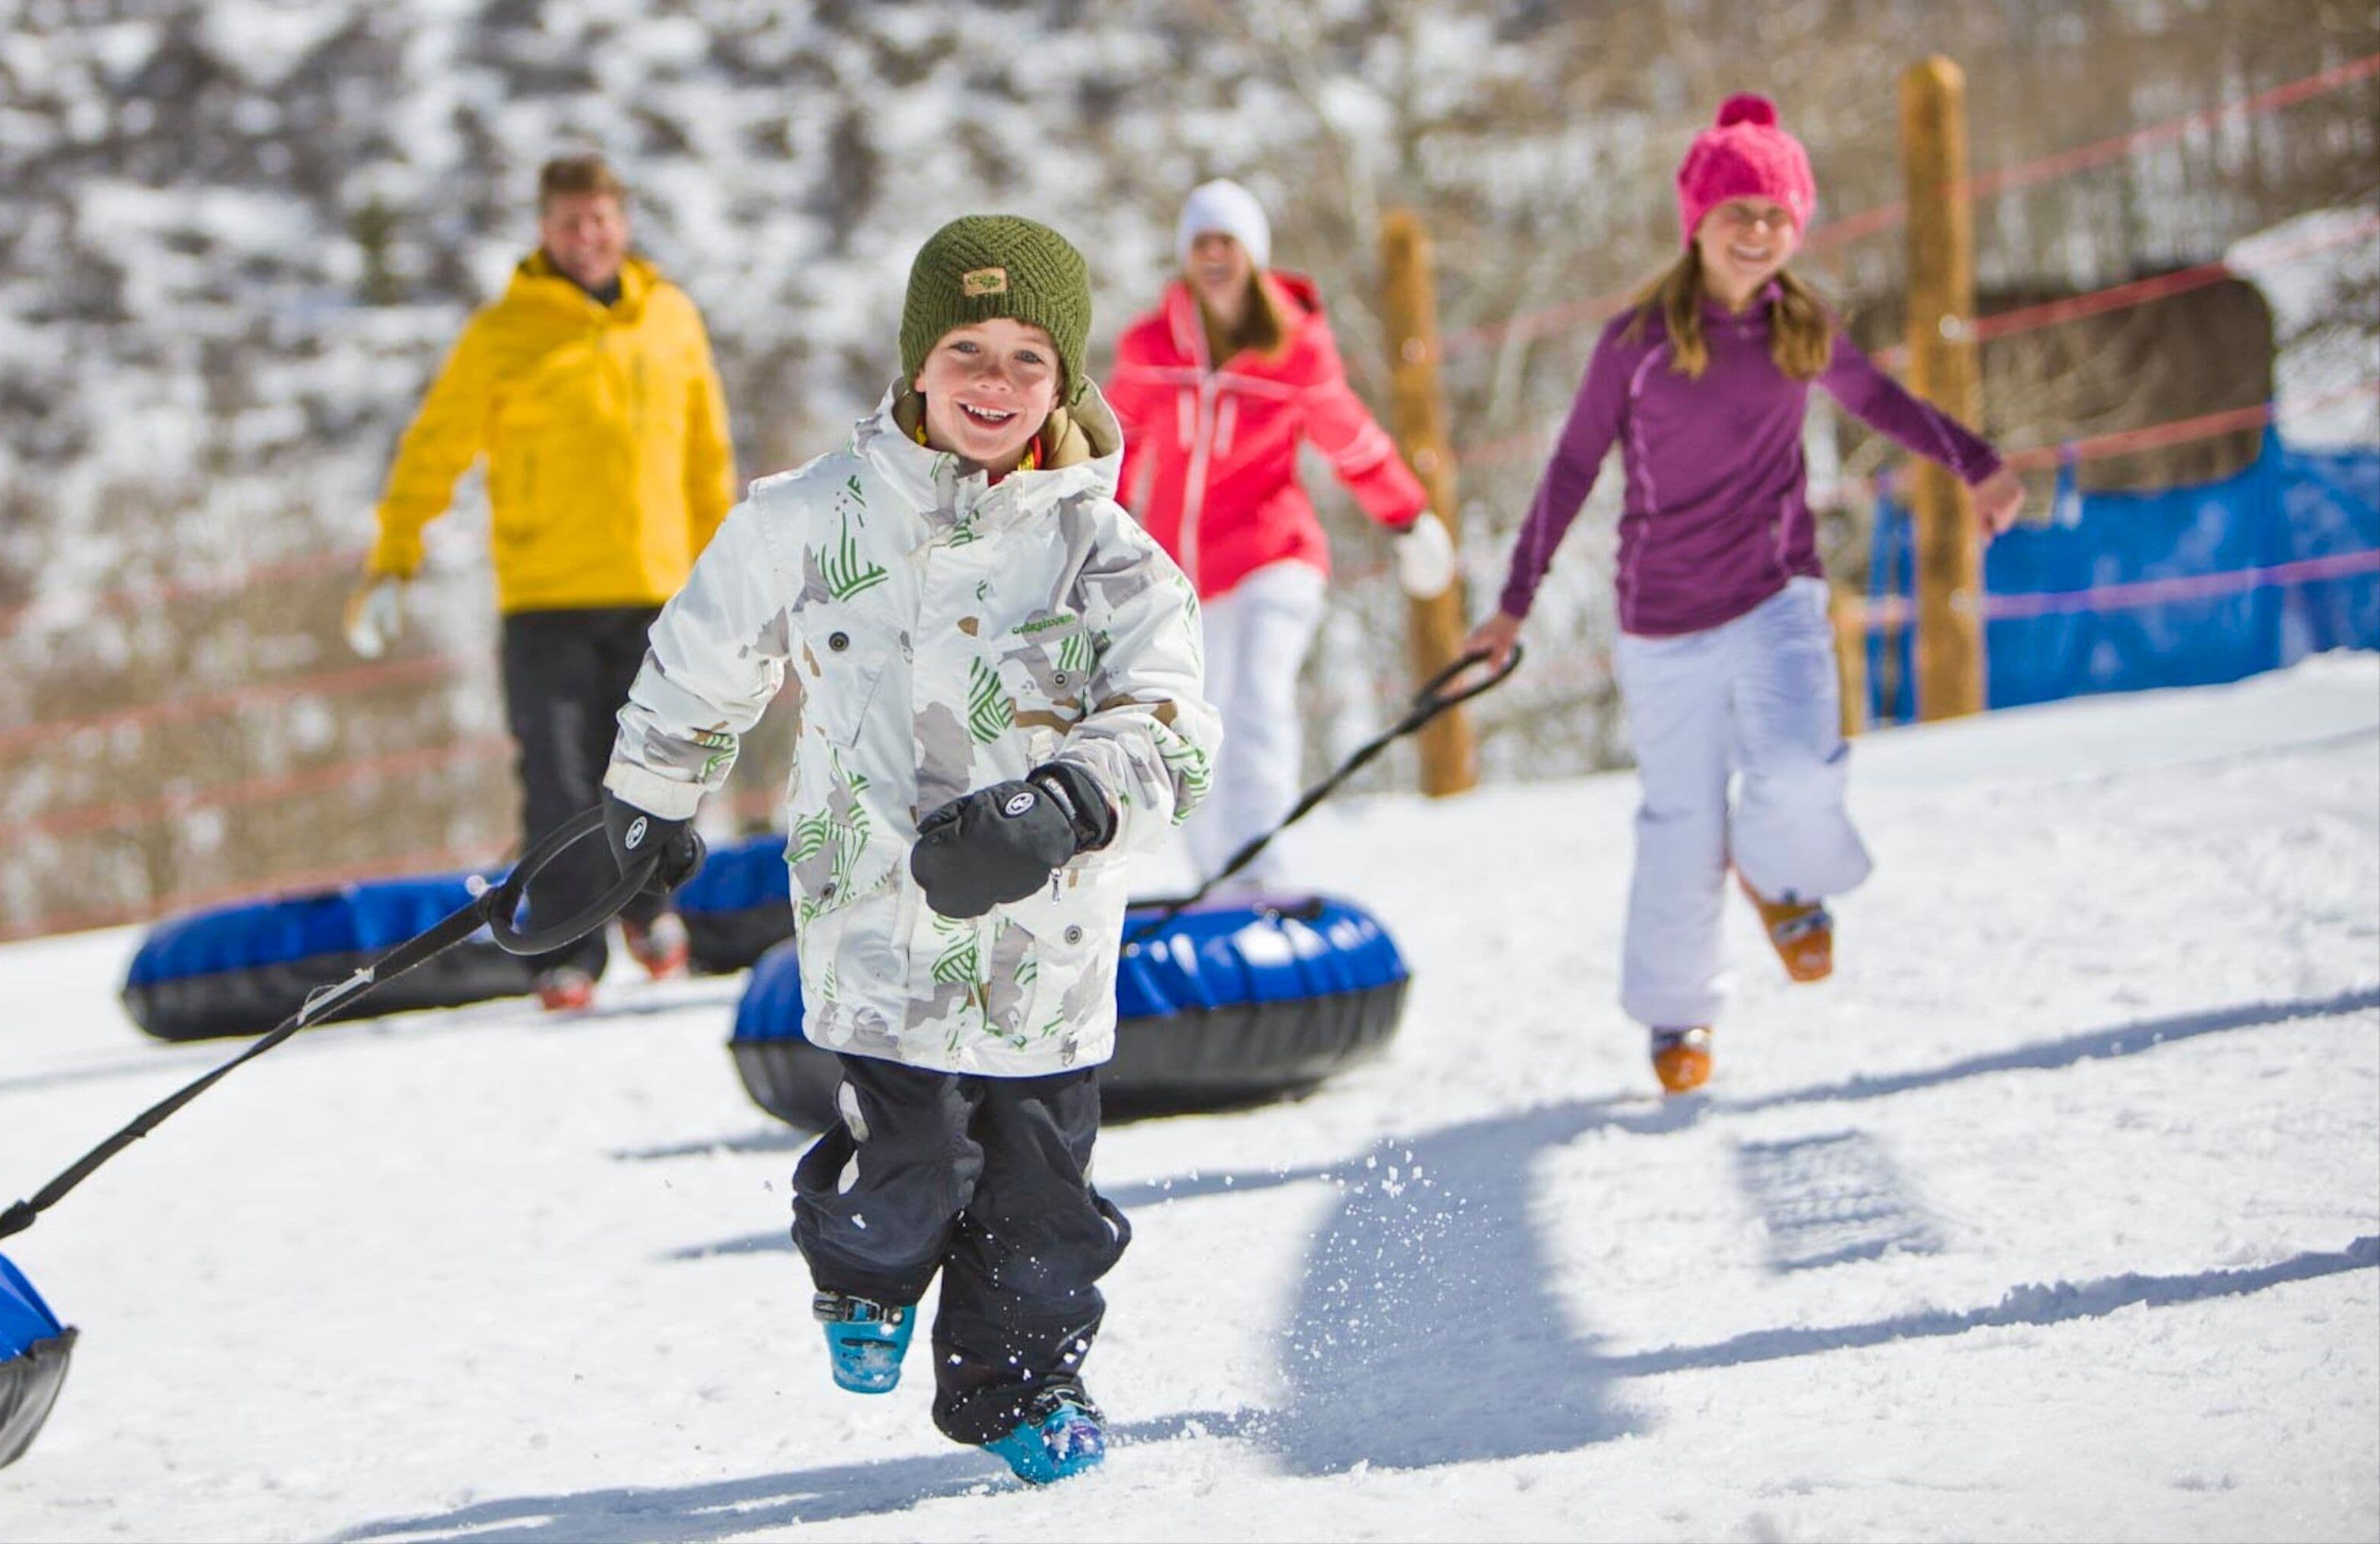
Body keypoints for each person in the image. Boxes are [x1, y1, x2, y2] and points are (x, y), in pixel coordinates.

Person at [592, 216, 1218, 1483]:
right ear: (916, 363)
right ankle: (862, 1277)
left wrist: (1064, 809)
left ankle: (1020, 1386)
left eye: (1028, 359)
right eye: (967, 351)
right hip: (876, 924)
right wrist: (650, 804)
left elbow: (1173, 731)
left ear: (1069, 381)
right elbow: (705, 656)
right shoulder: (811, 518)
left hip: (1045, 952)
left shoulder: (1109, 557)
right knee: (903, 1174)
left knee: (1044, 1215)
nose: (994, 385)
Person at [1461, 95, 2023, 1095]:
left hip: (1775, 597)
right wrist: (1514, 603)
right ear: (1698, 224)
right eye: (1739, 215)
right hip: (1662, 619)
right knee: (1681, 822)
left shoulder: (1802, 326)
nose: (1759, 234)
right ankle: (1680, 1015)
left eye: (1778, 216)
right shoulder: (1636, 342)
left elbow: (1883, 402)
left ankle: (1779, 873)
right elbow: (1572, 468)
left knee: (1802, 772)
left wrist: (1973, 462)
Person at [346, 154, 737, 1011]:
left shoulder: (670, 319)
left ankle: (652, 910)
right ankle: (565, 951)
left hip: (656, 584)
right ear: (543, 230)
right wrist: (395, 558)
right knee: (559, 779)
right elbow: (435, 446)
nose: (585, 237)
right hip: (546, 595)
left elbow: (706, 455)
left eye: (598, 220)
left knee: (658, 762)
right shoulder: (503, 332)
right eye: (568, 223)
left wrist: (731, 567)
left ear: (622, 223)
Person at [1104, 178, 1456, 892]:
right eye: (1200, 242)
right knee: (1188, 721)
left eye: (1227, 242)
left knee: (1257, 703)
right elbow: (1118, 444)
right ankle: (1213, 880)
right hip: (1181, 574)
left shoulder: (1294, 348)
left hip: (1274, 557)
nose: (1213, 256)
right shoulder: (1151, 346)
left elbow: (1350, 442)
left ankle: (1260, 872)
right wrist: (1092, 531)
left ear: (1254, 255)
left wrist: (1409, 518)